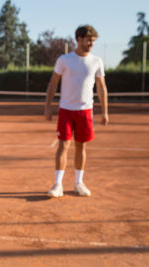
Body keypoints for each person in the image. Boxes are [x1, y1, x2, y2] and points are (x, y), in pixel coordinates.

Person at [44, 25, 109, 198]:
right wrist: (48, 106)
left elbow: (101, 87)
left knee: (81, 146)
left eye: (93, 41)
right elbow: (53, 83)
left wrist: (105, 112)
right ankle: (57, 185)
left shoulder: (97, 62)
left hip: (85, 111)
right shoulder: (64, 60)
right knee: (63, 145)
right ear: (79, 39)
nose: (91, 44)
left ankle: (78, 183)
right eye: (88, 40)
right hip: (66, 110)